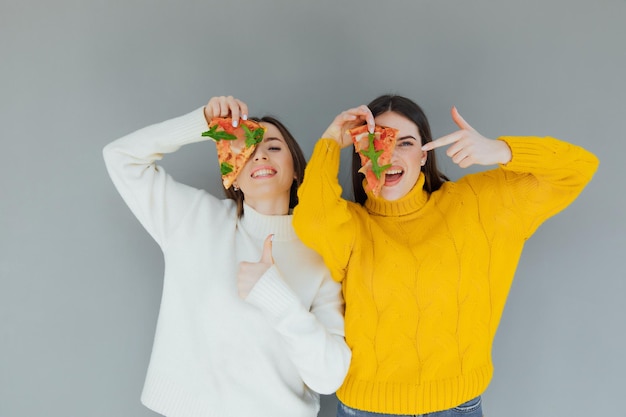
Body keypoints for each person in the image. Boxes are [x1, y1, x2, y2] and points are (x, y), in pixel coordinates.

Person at [292, 94, 599, 416]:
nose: (390, 154)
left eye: (406, 143)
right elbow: (312, 218)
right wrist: (328, 143)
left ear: (425, 155)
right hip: (366, 408)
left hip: (458, 407)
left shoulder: (479, 206)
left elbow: (578, 167)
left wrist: (500, 150)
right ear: (360, 153)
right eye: (376, 141)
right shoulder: (350, 228)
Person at [102, 96, 351, 417]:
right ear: (229, 172)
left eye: (273, 147)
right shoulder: (193, 219)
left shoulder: (321, 253)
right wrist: (202, 123)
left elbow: (329, 376)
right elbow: (120, 157)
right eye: (244, 148)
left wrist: (277, 298)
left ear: (295, 171)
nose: (259, 153)